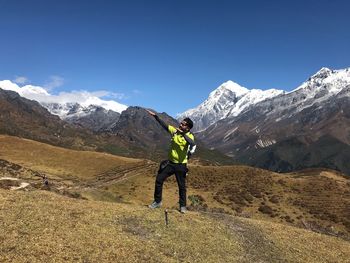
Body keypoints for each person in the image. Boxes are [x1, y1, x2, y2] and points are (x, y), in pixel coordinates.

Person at [146, 109, 196, 213]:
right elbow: (164, 125)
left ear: (188, 127)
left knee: (181, 186)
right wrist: (155, 116)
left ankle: (183, 206)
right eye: (181, 123)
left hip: (181, 165)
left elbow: (192, 143)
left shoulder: (190, 136)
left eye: (183, 124)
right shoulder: (174, 131)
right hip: (170, 163)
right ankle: (157, 202)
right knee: (159, 179)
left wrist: (183, 134)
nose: (180, 124)